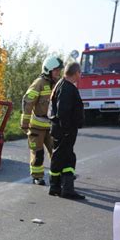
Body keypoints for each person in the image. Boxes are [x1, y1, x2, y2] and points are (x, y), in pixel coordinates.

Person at [21, 56, 64, 185]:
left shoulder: (58, 83)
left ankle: (59, 176)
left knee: (57, 153)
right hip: (36, 127)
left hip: (52, 126)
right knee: (38, 153)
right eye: (56, 70)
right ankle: (37, 176)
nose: (58, 73)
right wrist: (24, 123)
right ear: (48, 70)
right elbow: (28, 103)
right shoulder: (38, 83)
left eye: (59, 70)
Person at [48, 62, 85, 199]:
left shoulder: (62, 85)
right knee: (67, 158)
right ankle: (66, 189)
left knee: (61, 157)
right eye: (79, 73)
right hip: (64, 130)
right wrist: (67, 129)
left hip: (61, 129)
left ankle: (56, 186)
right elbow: (63, 111)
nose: (80, 75)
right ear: (76, 73)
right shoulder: (67, 88)